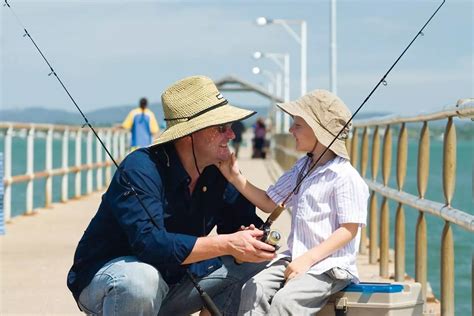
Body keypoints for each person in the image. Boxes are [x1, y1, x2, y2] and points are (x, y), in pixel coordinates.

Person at [67, 76, 276, 316]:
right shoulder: (141, 168)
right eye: (221, 128)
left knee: (258, 263)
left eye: (230, 126)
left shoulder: (217, 171)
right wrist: (227, 243)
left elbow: (242, 224)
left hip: (174, 282)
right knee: (140, 281)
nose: (231, 135)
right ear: (189, 135)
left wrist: (253, 237)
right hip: (112, 280)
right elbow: (150, 244)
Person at [218, 89, 369, 315]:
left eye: (297, 125)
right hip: (296, 256)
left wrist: (307, 259)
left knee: (285, 302)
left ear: (318, 131)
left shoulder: (344, 176)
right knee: (253, 288)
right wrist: (235, 177)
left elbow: (348, 229)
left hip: (328, 266)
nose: (290, 130)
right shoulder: (302, 168)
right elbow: (269, 202)